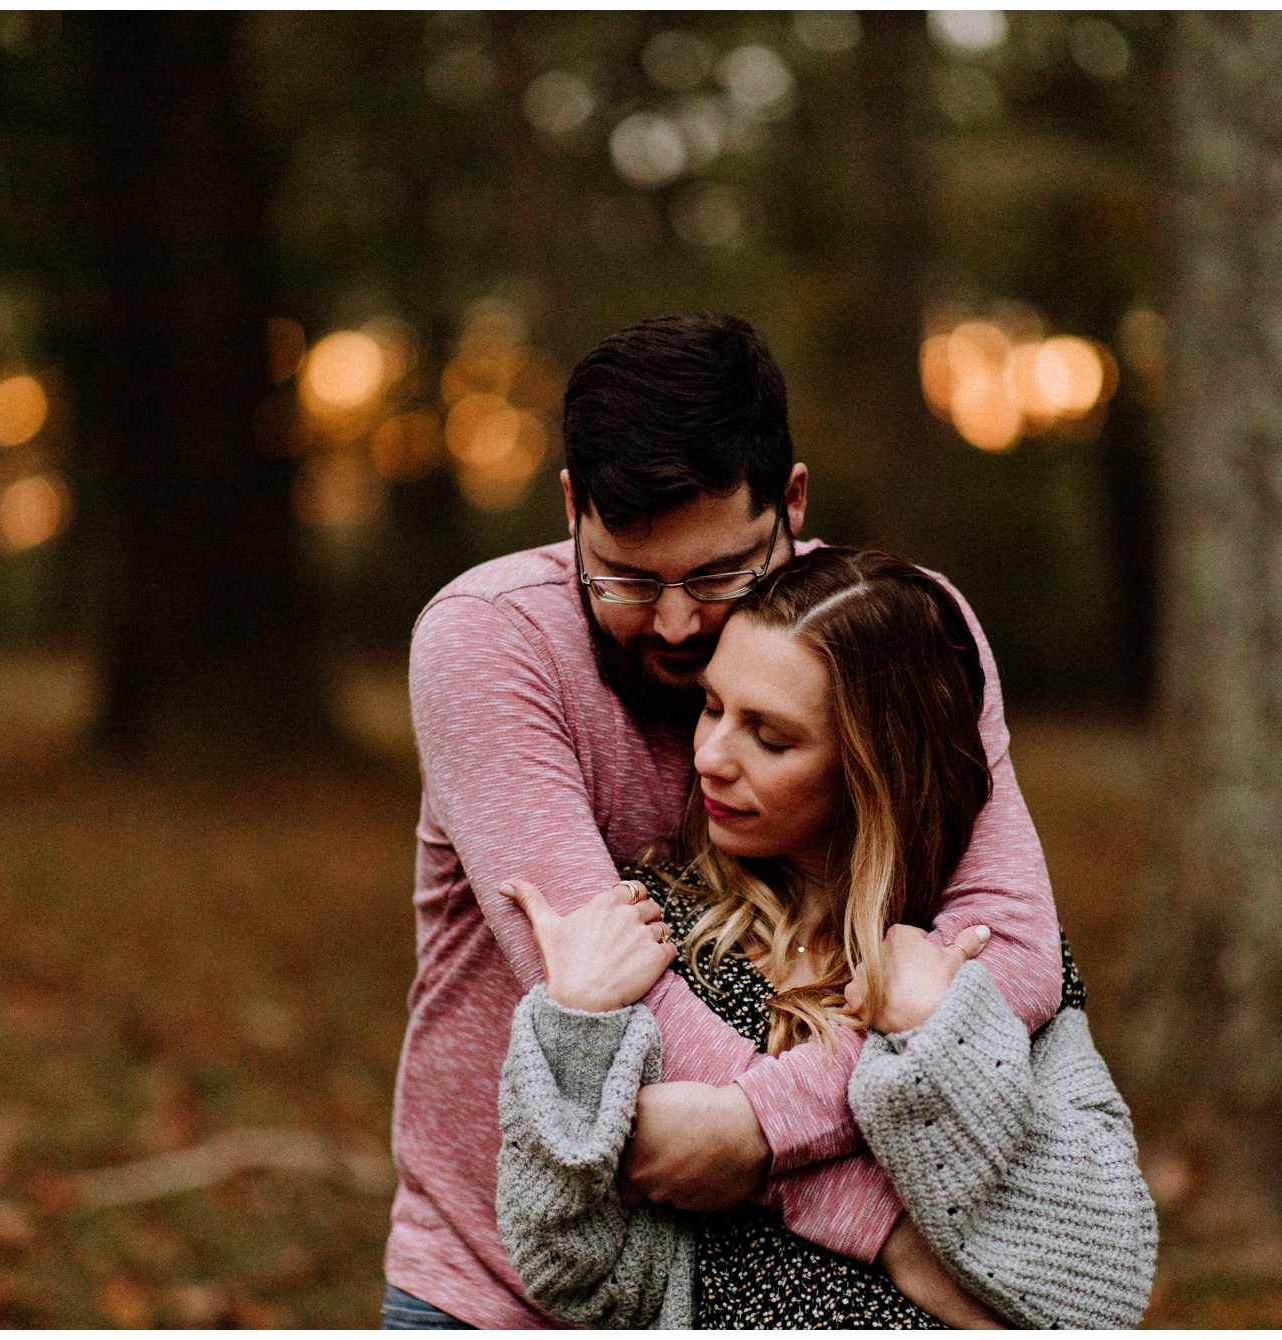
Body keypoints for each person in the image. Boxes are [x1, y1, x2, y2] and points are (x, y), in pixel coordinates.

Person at [384, 316, 1064, 1328]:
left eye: (715, 576)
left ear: (792, 500)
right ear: (571, 509)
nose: (675, 624)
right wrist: (880, 1226)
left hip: (805, 1304)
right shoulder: (488, 642)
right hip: (504, 1287)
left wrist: (757, 1125)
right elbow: (621, 1016)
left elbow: (1012, 949)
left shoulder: (901, 631)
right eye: (625, 577)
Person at [493, 549, 1158, 1328]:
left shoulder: (969, 956)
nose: (709, 757)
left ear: (874, 767)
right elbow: (568, 1270)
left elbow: (1103, 1282)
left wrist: (937, 1035)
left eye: (770, 738)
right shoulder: (657, 936)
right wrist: (574, 1028)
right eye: (711, 707)